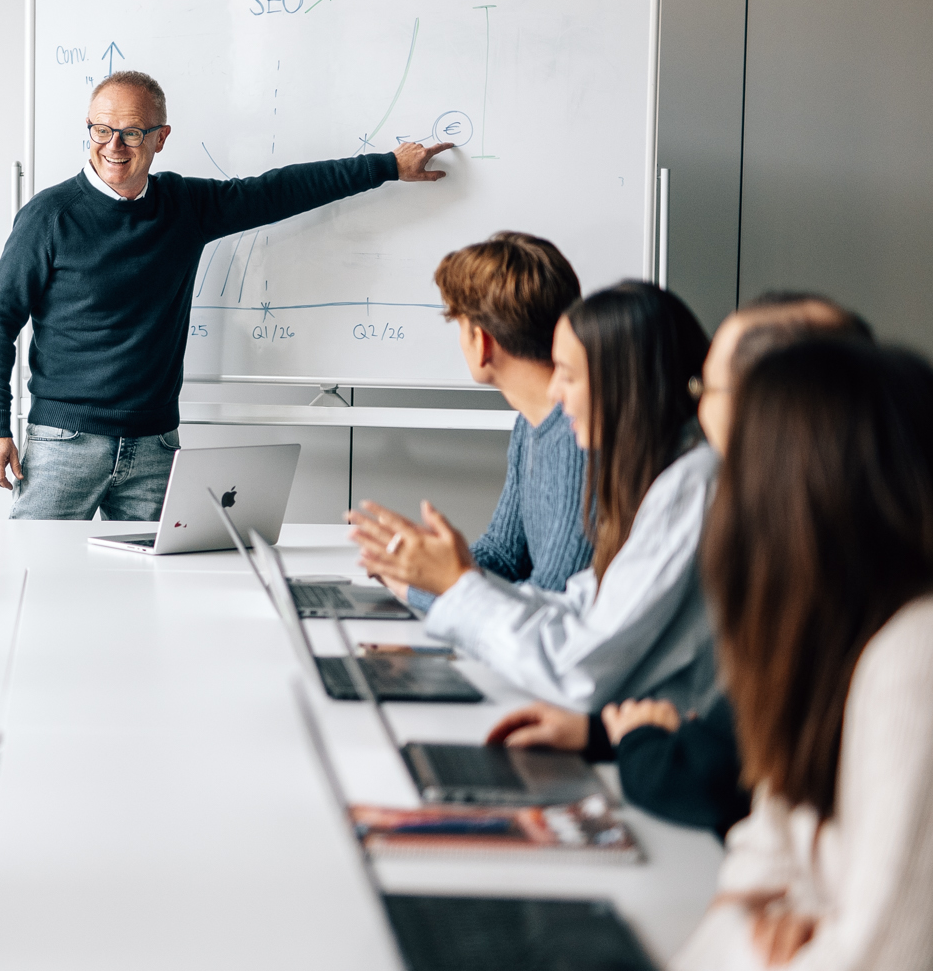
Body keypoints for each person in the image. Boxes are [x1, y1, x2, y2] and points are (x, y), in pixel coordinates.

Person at [672, 339, 933, 971]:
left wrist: (722, 951)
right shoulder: (838, 638)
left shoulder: (929, 651)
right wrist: (790, 925)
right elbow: (761, 854)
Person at [0, 69, 452, 520]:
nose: (114, 145)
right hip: (66, 441)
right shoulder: (51, 216)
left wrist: (387, 165)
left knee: (157, 587)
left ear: (161, 137)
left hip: (156, 446)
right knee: (36, 574)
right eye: (102, 130)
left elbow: (280, 191)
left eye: (132, 132)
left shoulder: (185, 207)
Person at [475, 293, 871, 837]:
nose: (697, 404)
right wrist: (604, 734)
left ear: (780, 401)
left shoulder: (747, 513)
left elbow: (712, 775)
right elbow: (732, 742)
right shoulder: (793, 534)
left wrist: (628, 739)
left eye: (708, 388)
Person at [349, 280, 713, 712]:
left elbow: (578, 672)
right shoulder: (662, 475)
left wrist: (453, 586)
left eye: (570, 375)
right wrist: (450, 578)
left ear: (625, 387)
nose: (556, 392)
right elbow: (580, 603)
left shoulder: (689, 487)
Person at [379, 232, 592, 612]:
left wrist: (416, 591)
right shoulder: (531, 422)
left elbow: (551, 604)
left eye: (460, 326)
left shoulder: (581, 436)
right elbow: (503, 555)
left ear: (482, 341)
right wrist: (422, 568)